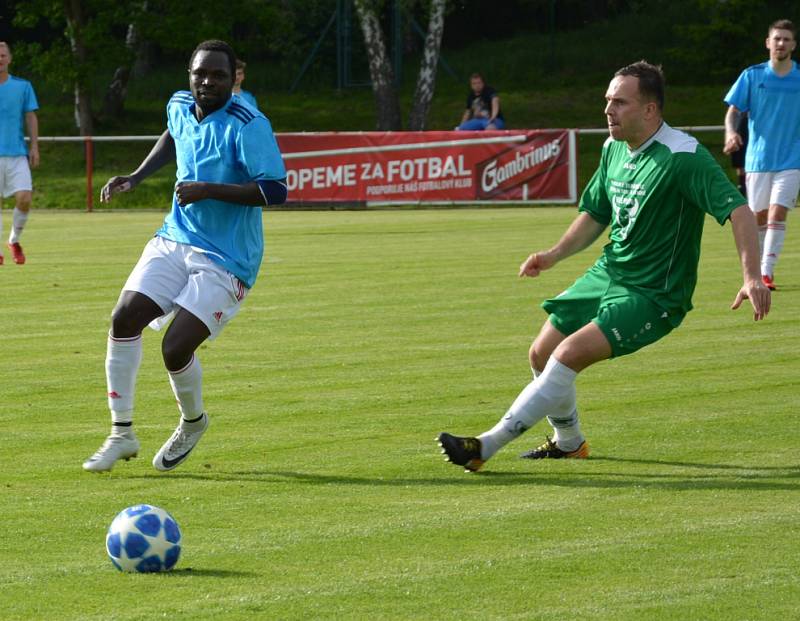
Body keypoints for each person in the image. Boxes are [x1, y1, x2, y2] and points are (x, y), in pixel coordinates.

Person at [438, 61, 770, 473]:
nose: (608, 110)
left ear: (650, 110)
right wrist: (554, 254)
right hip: (609, 273)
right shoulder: (614, 149)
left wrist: (751, 276)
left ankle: (485, 445)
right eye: (607, 100)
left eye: (620, 102)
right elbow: (596, 213)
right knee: (540, 353)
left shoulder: (684, 157)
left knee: (566, 354)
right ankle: (570, 442)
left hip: (654, 293)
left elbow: (738, 210)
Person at [83, 40, 288, 473]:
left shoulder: (248, 124)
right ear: (189, 76)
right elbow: (175, 136)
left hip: (227, 258)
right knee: (124, 317)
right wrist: (137, 177)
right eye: (201, 74)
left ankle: (193, 423)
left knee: (175, 347)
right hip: (175, 237)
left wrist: (208, 189)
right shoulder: (179, 103)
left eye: (218, 75)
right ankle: (121, 434)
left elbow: (276, 191)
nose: (208, 82)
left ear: (235, 80)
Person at [724, 19, 800, 291]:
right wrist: (731, 134)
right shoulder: (752, 76)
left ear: (793, 44)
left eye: (786, 39)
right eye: (776, 38)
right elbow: (733, 111)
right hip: (757, 160)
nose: (781, 43)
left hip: (792, 160)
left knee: (777, 214)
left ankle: (766, 272)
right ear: (768, 43)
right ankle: (754, 271)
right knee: (758, 217)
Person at [0, 41, 39, 265]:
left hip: (16, 154)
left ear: (9, 58)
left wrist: (34, 146)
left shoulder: (22, 86)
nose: (0, 59)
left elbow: (31, 116)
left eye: (3, 55)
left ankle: (14, 241)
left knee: (24, 198)